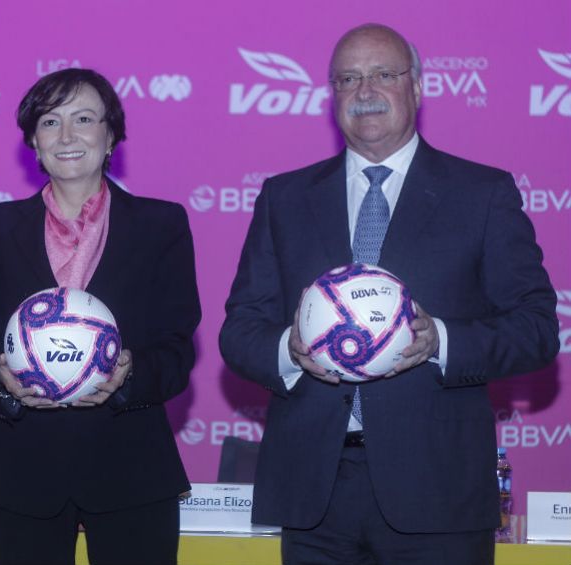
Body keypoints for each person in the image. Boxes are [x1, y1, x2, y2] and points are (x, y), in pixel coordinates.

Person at [219, 23, 559, 565]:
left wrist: (440, 341)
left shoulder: (482, 193)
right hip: (314, 493)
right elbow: (240, 330)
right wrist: (291, 350)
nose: (365, 91)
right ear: (332, 97)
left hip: (438, 493)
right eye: (348, 79)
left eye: (383, 74)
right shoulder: (284, 197)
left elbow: (538, 329)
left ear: (417, 88)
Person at [0, 68, 201, 565]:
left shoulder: (161, 225)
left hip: (132, 469)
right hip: (21, 470)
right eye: (50, 122)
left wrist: (130, 375)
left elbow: (177, 352)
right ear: (33, 139)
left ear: (110, 134)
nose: (67, 136)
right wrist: (3, 382)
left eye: (84, 119)